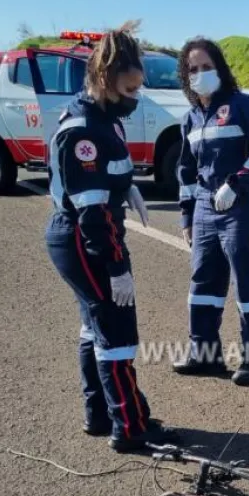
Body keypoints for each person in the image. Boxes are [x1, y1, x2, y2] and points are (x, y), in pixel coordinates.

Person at [44, 23, 178, 453]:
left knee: (94, 326)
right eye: (129, 89)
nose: (134, 98)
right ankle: (130, 426)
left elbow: (106, 181)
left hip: (82, 235)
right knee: (116, 334)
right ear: (105, 80)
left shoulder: (100, 115)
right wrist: (117, 267)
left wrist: (127, 187)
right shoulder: (86, 129)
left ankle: (99, 414)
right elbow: (94, 216)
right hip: (86, 240)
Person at [173, 37, 249, 386]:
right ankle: (205, 355)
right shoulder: (190, 119)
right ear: (185, 76)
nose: (200, 74)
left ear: (220, 69)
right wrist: (187, 216)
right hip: (205, 208)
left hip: (243, 206)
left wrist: (237, 183)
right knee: (203, 283)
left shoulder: (243, 105)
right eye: (193, 69)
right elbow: (187, 172)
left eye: (206, 67)